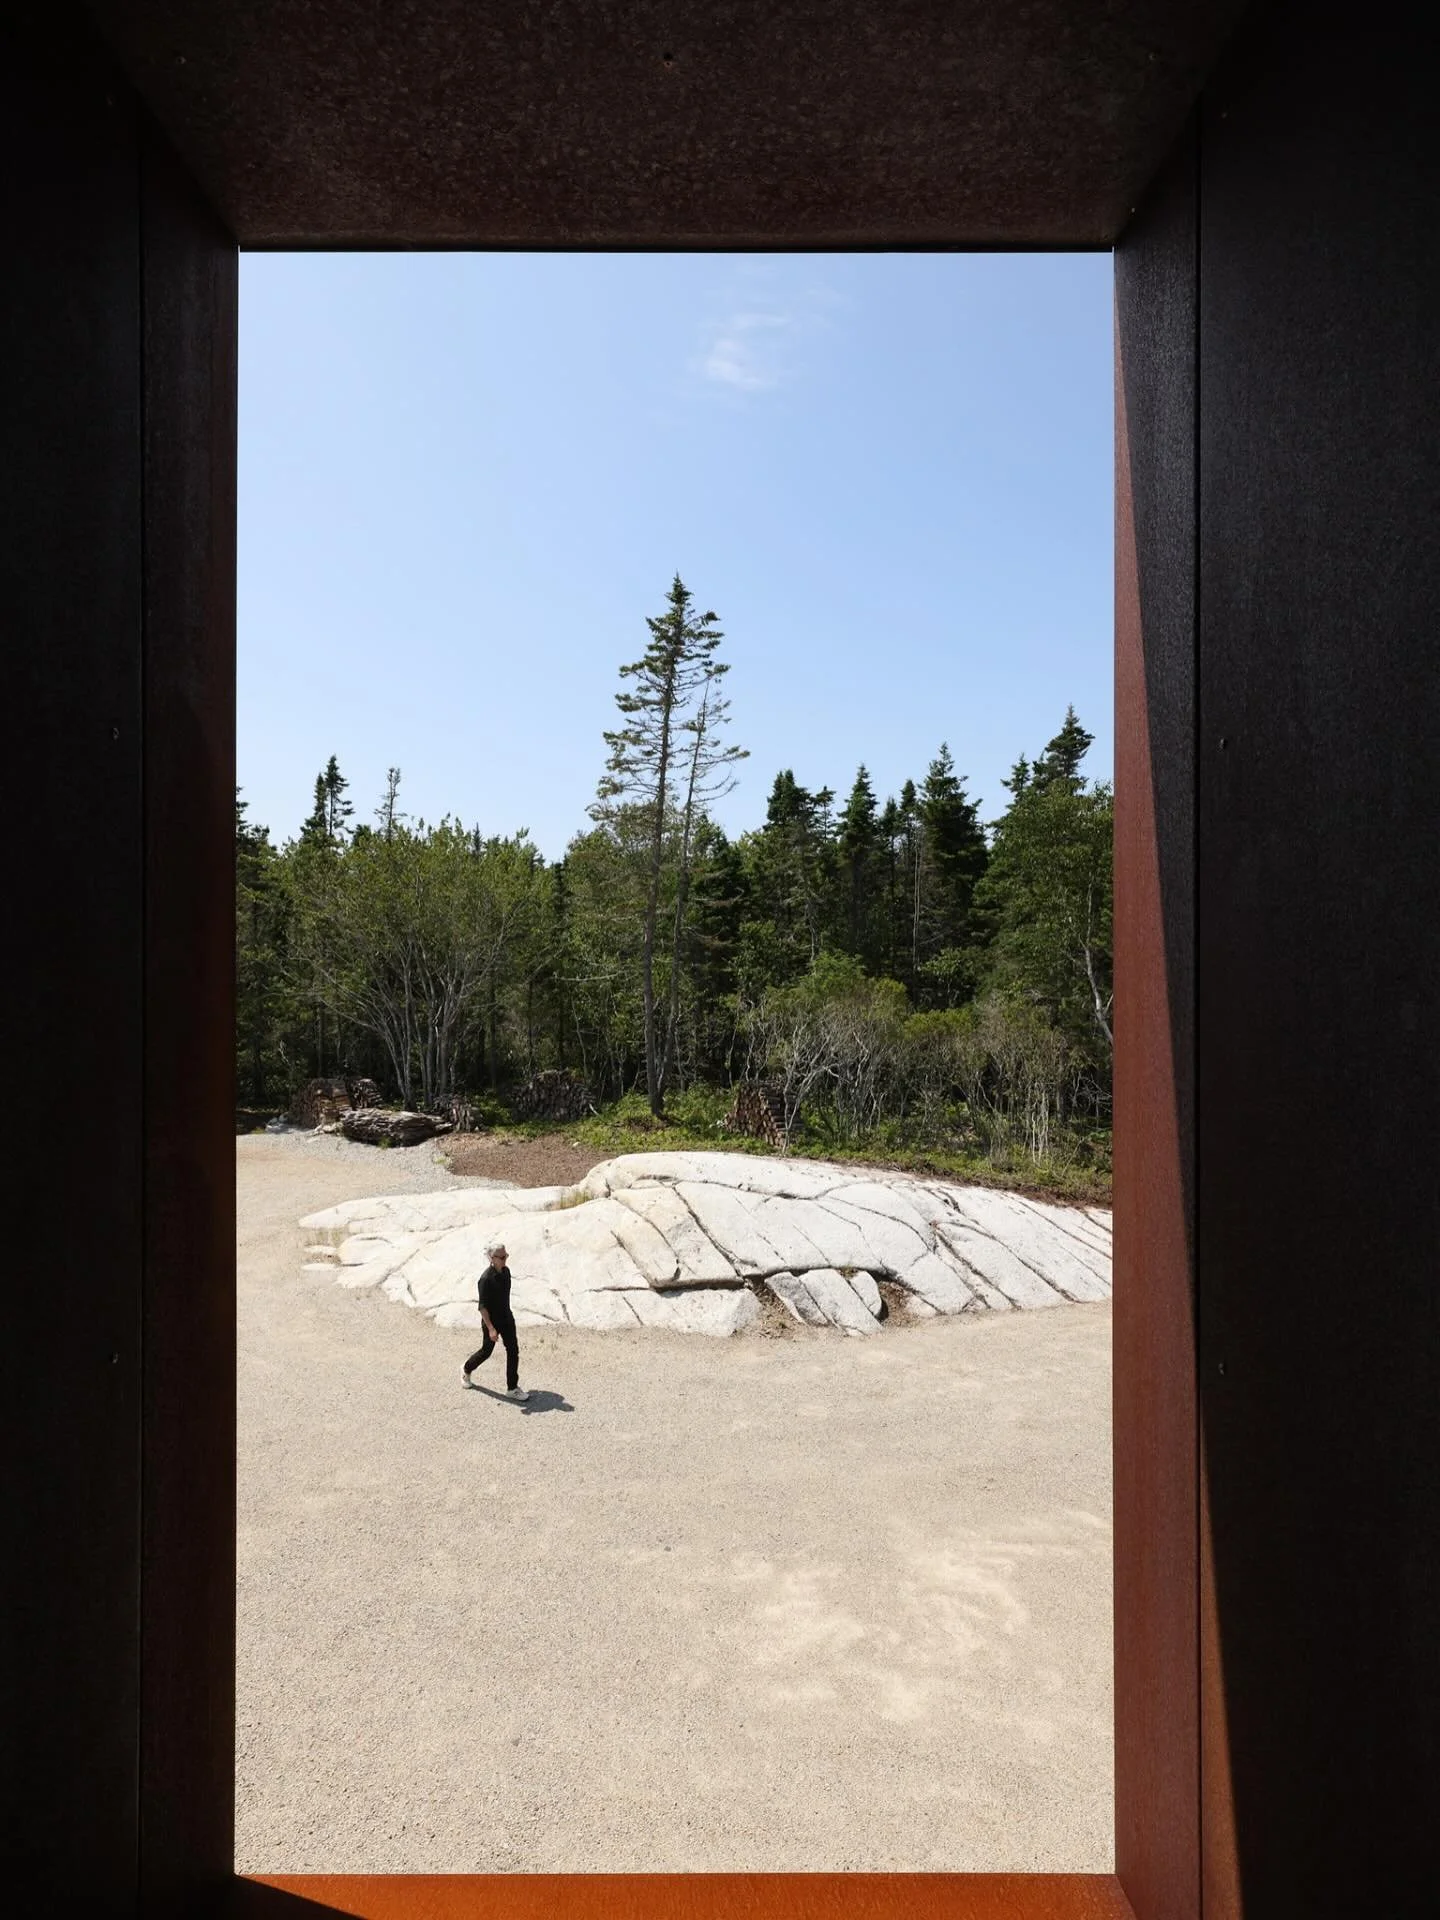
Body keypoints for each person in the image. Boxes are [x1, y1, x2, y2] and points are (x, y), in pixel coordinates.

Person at [462, 1241, 529, 1401]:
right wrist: (491, 1328)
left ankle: (512, 1388)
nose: (505, 1259)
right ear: (492, 1258)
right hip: (491, 1321)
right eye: (502, 1257)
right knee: (486, 1352)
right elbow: (482, 1307)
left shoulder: (506, 1272)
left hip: (506, 1318)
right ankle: (466, 1370)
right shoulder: (485, 1279)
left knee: (513, 1350)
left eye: (506, 1256)